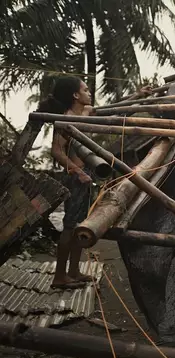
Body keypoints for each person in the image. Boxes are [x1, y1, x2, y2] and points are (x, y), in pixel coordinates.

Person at [37, 76, 94, 289]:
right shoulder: (66, 119)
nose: (90, 93)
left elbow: (114, 109)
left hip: (86, 174)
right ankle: (59, 276)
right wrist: (78, 171)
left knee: (80, 225)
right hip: (75, 177)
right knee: (69, 227)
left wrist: (140, 95)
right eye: (86, 90)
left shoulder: (86, 113)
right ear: (75, 95)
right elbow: (56, 150)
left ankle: (74, 271)